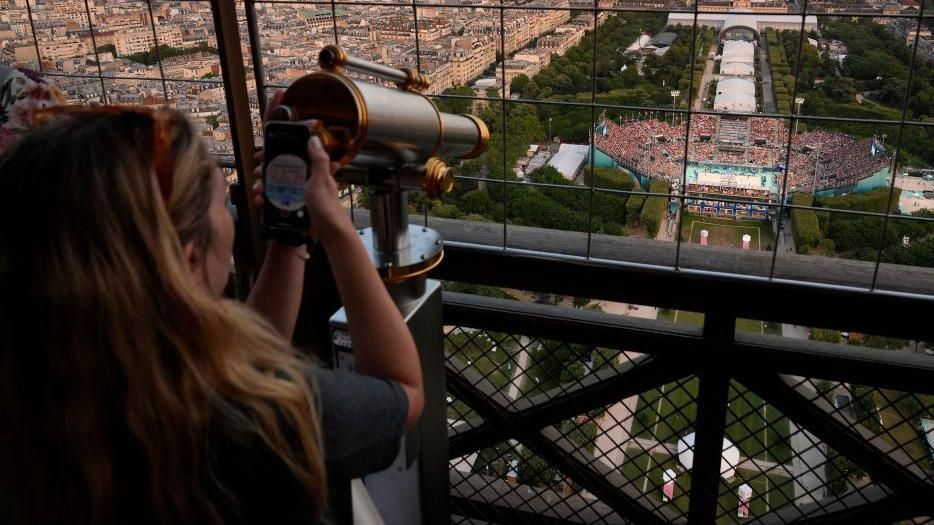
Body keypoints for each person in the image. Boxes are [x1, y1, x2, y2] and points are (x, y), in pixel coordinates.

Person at [0, 100, 423, 524]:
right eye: (223, 204)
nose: (232, 220)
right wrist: (336, 225)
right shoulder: (265, 419)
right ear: (187, 262)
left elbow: (244, 360)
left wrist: (289, 231)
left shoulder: (41, 401)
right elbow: (401, 390)